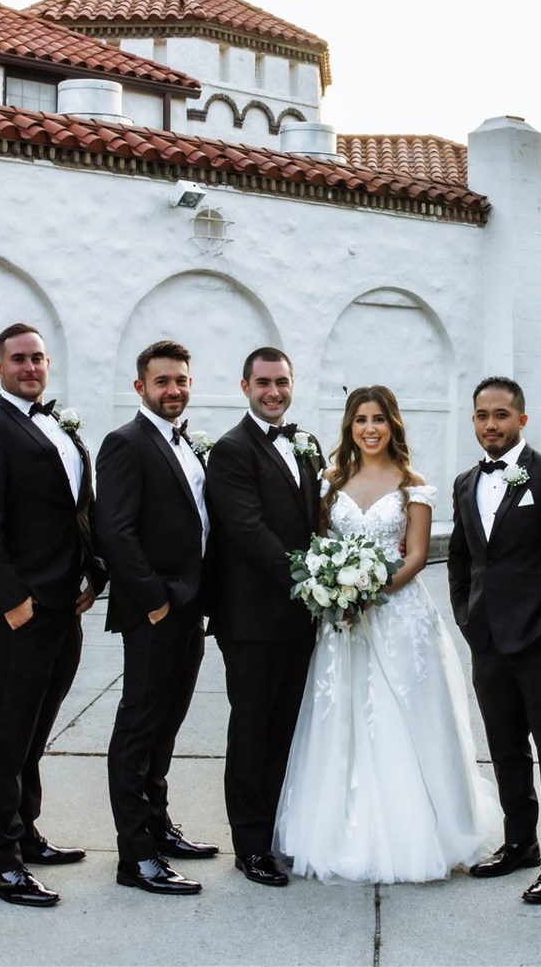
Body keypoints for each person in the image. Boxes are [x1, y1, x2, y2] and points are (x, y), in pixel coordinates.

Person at [275, 386, 500, 883]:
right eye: (361, 420)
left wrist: (366, 593)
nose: (370, 429)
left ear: (392, 424)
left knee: (403, 716)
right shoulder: (329, 481)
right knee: (342, 715)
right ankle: (338, 830)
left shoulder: (411, 484)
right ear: (349, 426)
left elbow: (416, 557)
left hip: (397, 617)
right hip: (341, 622)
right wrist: (335, 591)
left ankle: (419, 831)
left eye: (378, 419)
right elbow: (319, 545)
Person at [0, 324, 106, 908]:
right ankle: (0, 863)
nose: (30, 367)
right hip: (22, 610)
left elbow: (80, 509)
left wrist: (95, 574)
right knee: (7, 734)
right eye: (18, 359)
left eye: (38, 357)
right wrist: (11, 600)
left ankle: (25, 832)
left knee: (36, 730)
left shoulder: (61, 427)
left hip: (65, 605)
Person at [449, 376, 541, 904]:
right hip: (487, 638)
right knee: (505, 748)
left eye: (501, 415)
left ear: (522, 420)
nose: (491, 424)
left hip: (540, 637)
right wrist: (465, 614)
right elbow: (462, 557)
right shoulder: (465, 482)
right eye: (482, 415)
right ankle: (520, 842)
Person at [95, 340, 217, 896]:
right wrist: (154, 600)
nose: (174, 390)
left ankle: (159, 826)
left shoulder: (183, 441)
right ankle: (136, 855)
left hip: (190, 609)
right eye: (162, 381)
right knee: (138, 728)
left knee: (166, 725)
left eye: (181, 380)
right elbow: (114, 529)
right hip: (156, 611)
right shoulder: (125, 442)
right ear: (140, 387)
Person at [202, 347, 320, 887]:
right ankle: (249, 846)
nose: (274, 392)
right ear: (245, 386)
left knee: (286, 729)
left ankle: (275, 832)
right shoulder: (231, 450)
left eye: (282, 382)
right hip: (251, 619)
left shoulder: (305, 443)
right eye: (264, 382)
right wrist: (307, 578)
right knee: (252, 730)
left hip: (301, 617)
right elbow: (247, 529)